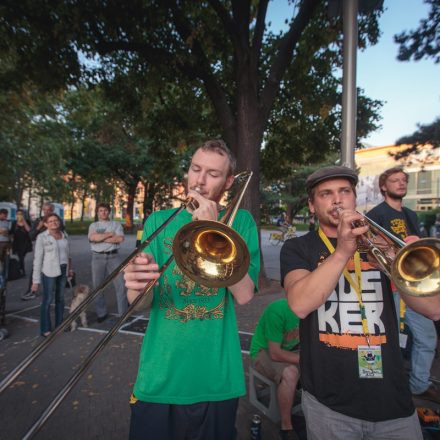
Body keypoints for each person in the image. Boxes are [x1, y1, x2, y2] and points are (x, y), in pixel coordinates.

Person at [281, 165, 440, 440]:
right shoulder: (298, 248)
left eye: (344, 191)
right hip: (329, 402)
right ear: (311, 205)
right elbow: (300, 304)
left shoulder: (382, 244)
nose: (337, 200)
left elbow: (433, 308)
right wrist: (344, 249)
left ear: (354, 199)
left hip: (392, 400)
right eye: (326, 194)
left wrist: (394, 257)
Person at [124, 139, 260, 440]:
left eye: (212, 174)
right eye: (195, 169)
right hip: (160, 377)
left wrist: (216, 228)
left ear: (227, 182)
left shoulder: (243, 222)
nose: (199, 180)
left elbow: (245, 294)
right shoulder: (158, 221)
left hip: (217, 378)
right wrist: (137, 286)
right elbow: (139, 304)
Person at [367, 166, 439, 403]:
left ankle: (418, 384)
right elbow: (374, 250)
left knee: (427, 338)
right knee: (385, 341)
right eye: (395, 180)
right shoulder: (377, 214)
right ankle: (384, 386)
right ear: (383, 187)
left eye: (404, 180)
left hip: (413, 286)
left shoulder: (411, 214)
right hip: (389, 287)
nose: (401, 184)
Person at [250, 298, 300, 440]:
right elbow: (275, 353)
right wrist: (306, 359)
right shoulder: (277, 311)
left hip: (290, 349)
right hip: (262, 352)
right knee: (291, 374)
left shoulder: (314, 309)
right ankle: (286, 428)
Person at [31, 213, 73, 337]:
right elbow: (37, 260)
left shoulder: (64, 235)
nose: (54, 223)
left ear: (59, 222)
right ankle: (45, 329)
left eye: (56, 220)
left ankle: (60, 324)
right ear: (45, 224)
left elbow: (68, 254)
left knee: (60, 299)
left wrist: (70, 269)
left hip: (63, 270)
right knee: (47, 300)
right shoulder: (42, 237)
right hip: (49, 272)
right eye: (50, 221)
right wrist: (35, 281)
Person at [88, 203, 128, 322]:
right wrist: (110, 234)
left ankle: (123, 314)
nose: (103, 212)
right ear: (97, 213)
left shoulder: (116, 224)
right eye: (100, 211)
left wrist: (100, 238)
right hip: (97, 258)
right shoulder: (93, 225)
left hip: (113, 257)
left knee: (120, 285)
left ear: (109, 212)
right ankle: (101, 313)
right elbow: (92, 238)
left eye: (105, 210)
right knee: (98, 286)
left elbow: (120, 239)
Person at [21, 202, 58, 300]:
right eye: (44, 210)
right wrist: (39, 226)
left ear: (52, 210)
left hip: (53, 250)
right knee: (35, 270)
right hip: (41, 250)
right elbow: (31, 236)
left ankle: (53, 288)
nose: (46, 212)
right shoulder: (38, 221)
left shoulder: (56, 220)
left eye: (48, 210)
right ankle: (32, 291)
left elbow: (61, 234)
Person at [11, 209, 32, 276]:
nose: (19, 215)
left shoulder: (27, 221)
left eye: (21, 214)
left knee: (22, 257)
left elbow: (29, 230)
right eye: (18, 214)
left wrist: (23, 221)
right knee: (21, 257)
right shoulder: (14, 222)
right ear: (16, 215)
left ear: (23, 215)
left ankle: (20, 270)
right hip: (17, 243)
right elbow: (11, 232)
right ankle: (22, 271)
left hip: (25, 242)